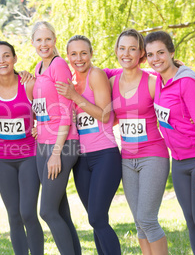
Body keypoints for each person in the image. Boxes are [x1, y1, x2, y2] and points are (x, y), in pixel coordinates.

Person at [55, 35, 122, 254]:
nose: (79, 58)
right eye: (73, 54)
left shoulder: (97, 75)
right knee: (96, 219)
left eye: (83, 53)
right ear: (67, 57)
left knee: (97, 217)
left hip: (105, 155)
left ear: (91, 53)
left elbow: (105, 115)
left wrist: (75, 96)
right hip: (81, 159)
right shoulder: (69, 83)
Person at [109, 29, 170, 254]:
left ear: (141, 53)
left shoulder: (153, 82)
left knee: (148, 219)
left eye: (132, 48)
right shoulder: (112, 81)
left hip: (153, 156)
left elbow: (172, 114)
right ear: (116, 51)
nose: (126, 53)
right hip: (127, 159)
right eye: (122, 48)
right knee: (139, 223)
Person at [0, 41, 44, 255]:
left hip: (29, 155)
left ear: (15, 58)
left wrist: (42, 128)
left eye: (6, 56)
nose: (2, 61)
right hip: (2, 158)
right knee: (14, 215)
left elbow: (46, 114)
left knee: (28, 213)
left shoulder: (28, 84)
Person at [144, 31, 195, 254]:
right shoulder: (158, 81)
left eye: (160, 53)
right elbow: (123, 70)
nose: (155, 58)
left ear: (171, 52)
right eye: (150, 54)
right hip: (178, 163)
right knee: (192, 221)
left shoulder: (186, 82)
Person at [30, 21, 81, 255]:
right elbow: (44, 108)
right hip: (43, 144)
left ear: (55, 40)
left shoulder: (58, 65)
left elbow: (66, 111)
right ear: (32, 43)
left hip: (62, 145)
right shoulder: (40, 67)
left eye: (47, 39)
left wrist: (57, 153)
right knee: (61, 212)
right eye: (39, 40)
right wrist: (37, 125)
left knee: (47, 211)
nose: (43, 44)